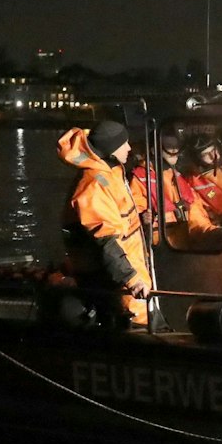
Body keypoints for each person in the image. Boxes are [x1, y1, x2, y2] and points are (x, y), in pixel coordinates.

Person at [60, 118, 151, 325]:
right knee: (130, 327)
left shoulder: (111, 174)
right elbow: (105, 240)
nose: (129, 148)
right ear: (111, 148)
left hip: (128, 273)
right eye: (123, 143)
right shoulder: (94, 185)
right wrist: (132, 279)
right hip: (114, 282)